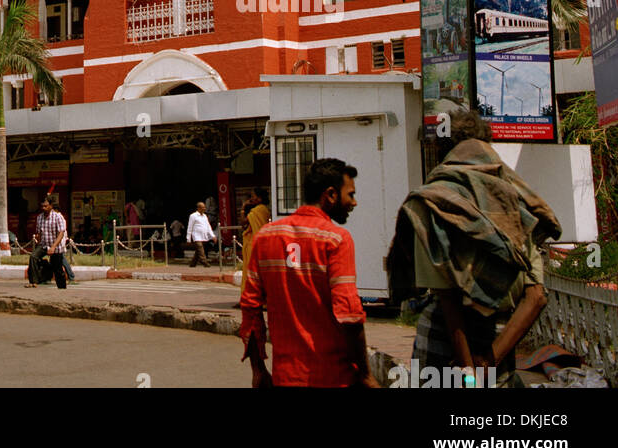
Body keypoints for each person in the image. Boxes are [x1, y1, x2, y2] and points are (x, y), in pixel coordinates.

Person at [389, 111, 560, 388]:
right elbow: (536, 298)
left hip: (444, 344)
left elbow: (448, 299)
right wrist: (488, 362)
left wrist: (469, 373)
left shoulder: (429, 204)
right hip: (499, 341)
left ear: (443, 153)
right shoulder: (517, 207)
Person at [239, 159, 377, 389]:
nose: (354, 202)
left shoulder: (265, 237)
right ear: (330, 194)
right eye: (350, 194)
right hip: (335, 378)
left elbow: (250, 307)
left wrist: (259, 370)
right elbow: (349, 315)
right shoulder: (335, 239)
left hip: (285, 378)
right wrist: (365, 375)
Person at [34, 196, 68, 290]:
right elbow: (39, 232)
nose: (43, 208)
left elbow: (61, 233)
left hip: (56, 246)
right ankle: (34, 281)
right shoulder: (39, 218)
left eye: (46, 206)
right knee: (33, 257)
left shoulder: (58, 217)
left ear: (51, 206)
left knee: (58, 269)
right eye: (42, 206)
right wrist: (38, 243)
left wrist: (53, 247)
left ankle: (62, 288)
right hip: (44, 245)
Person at [240, 188, 270, 294]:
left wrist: (243, 208)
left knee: (250, 272)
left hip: (254, 244)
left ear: (260, 198)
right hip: (260, 243)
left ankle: (249, 295)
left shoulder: (258, 210)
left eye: (253, 196)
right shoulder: (263, 209)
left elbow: (243, 222)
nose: (251, 199)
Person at [186, 201, 216, 267]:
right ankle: (204, 261)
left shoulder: (205, 216)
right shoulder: (193, 216)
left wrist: (212, 236)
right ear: (198, 208)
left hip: (203, 236)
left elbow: (208, 226)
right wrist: (188, 238)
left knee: (198, 250)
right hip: (196, 236)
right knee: (200, 247)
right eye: (203, 207)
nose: (204, 209)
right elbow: (190, 227)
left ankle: (193, 263)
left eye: (204, 207)